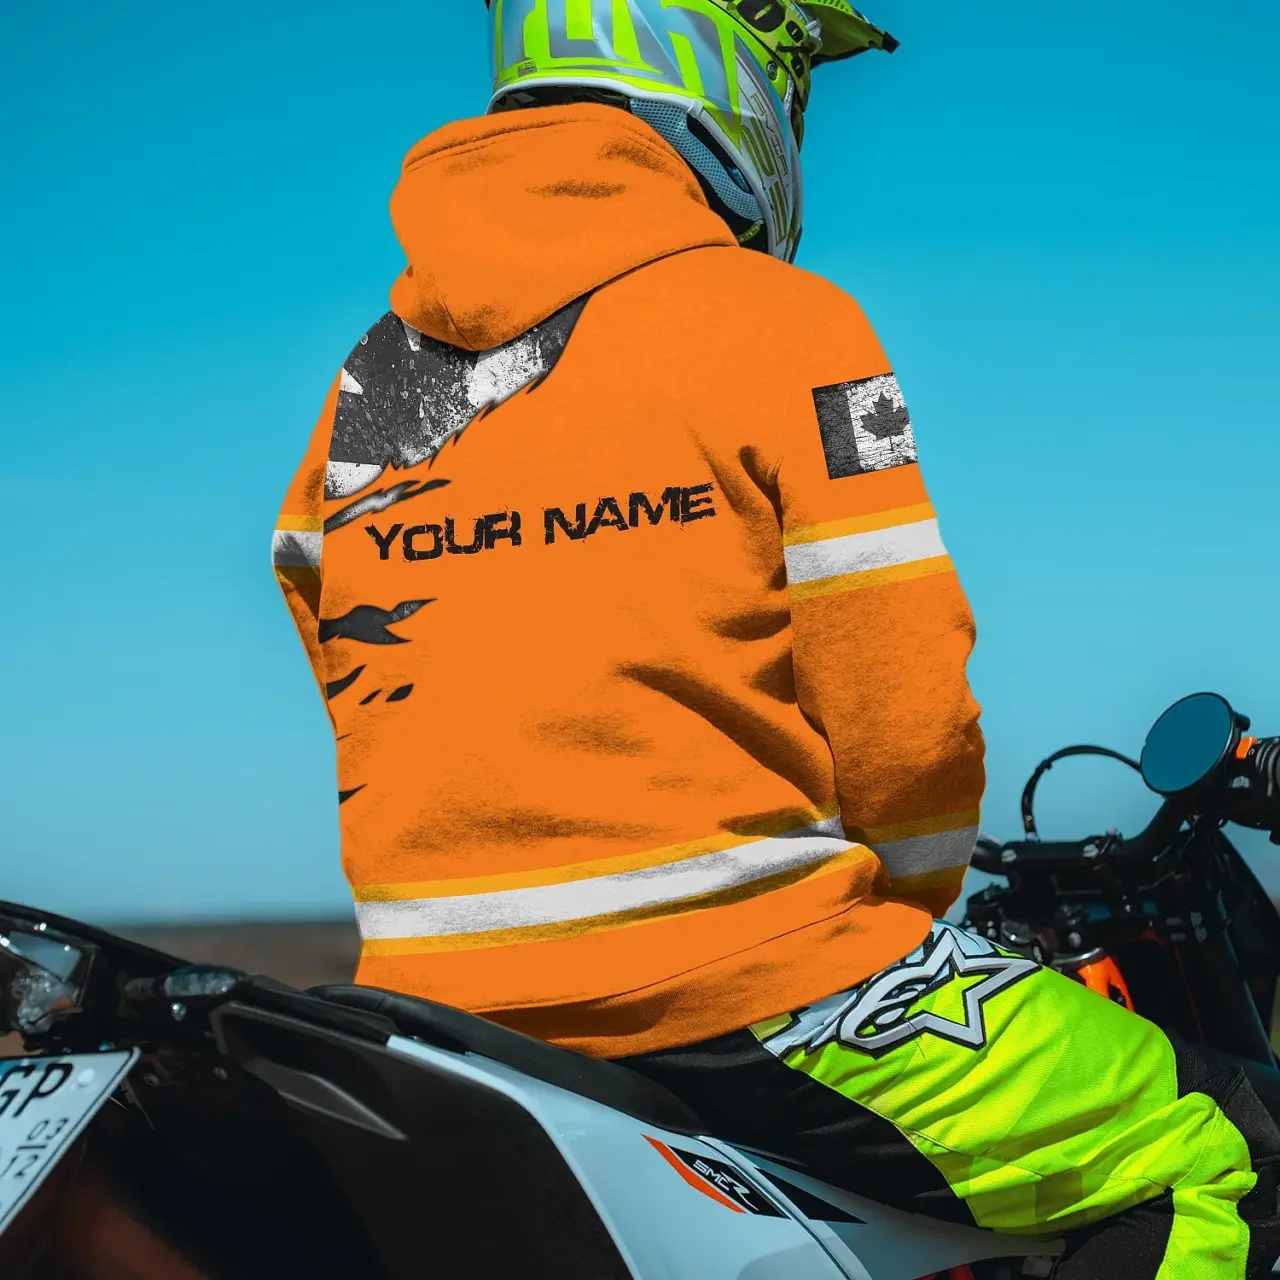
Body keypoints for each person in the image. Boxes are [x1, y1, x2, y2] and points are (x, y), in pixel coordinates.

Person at [273, 2, 1280, 1273]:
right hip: (751, 979)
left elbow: (331, 625)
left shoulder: (372, 384)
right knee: (1224, 1147)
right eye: (789, 74)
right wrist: (896, 915)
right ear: (716, 55)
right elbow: (905, 708)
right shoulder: (786, 321)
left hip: (437, 1007)